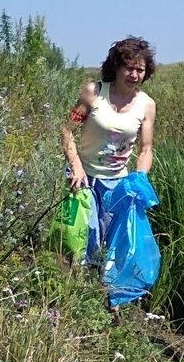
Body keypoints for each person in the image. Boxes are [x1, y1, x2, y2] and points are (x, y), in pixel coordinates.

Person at [60, 36, 156, 262]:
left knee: (111, 240)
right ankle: (73, 284)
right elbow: (66, 130)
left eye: (140, 70)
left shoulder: (146, 104)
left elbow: (146, 148)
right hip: (83, 177)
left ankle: (102, 288)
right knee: (85, 236)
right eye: (129, 68)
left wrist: (140, 177)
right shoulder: (94, 92)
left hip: (117, 182)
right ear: (116, 67)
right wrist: (76, 166)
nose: (134, 75)